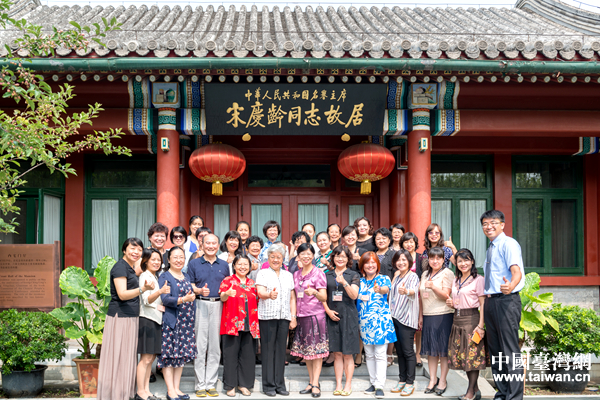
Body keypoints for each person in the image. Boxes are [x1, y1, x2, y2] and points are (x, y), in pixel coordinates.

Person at [98, 238, 152, 400]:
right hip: (120, 317)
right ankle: (114, 395)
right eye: (132, 248)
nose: (136, 252)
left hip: (129, 317)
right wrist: (142, 289)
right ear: (124, 250)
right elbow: (122, 294)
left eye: (139, 249)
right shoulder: (120, 267)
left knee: (126, 357)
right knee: (118, 357)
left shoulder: (129, 267)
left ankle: (123, 394)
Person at [481, 210, 525, 400]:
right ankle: (503, 393)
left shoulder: (509, 244)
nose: (488, 226)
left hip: (507, 300)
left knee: (510, 351)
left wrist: (511, 285)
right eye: (485, 224)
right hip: (491, 301)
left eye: (493, 222)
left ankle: (514, 397)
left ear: (502, 224)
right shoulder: (491, 247)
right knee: (496, 351)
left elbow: (516, 271)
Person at [188, 234, 230, 397]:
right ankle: (200, 384)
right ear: (202, 245)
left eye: (214, 243)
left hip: (219, 305)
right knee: (200, 345)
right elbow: (190, 284)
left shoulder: (224, 265)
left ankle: (211, 383)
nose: (211, 246)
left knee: (214, 346)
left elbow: (227, 285)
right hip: (200, 304)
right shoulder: (194, 263)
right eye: (208, 243)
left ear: (218, 245)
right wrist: (198, 290)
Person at [255, 243, 297, 397]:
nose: (275, 259)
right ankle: (268, 386)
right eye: (272, 257)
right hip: (267, 317)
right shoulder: (263, 273)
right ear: (268, 258)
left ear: (283, 259)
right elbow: (260, 292)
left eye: (278, 257)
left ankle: (280, 384)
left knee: (280, 352)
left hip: (284, 317)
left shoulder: (288, 275)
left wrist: (293, 317)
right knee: (267, 351)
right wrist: (269, 295)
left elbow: (292, 298)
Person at [157, 246, 198, 400]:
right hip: (172, 322)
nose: (179, 260)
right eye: (175, 257)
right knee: (169, 356)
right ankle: (170, 391)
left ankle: (177, 388)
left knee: (180, 357)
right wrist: (183, 299)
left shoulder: (186, 276)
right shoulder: (165, 276)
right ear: (168, 259)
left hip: (186, 322)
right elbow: (165, 299)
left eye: (181, 257)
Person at [447, 248, 487, 400]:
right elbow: (459, 300)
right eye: (460, 261)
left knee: (472, 357)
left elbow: (483, 304)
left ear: (472, 262)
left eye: (466, 260)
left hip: (472, 321)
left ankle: (470, 392)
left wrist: (481, 326)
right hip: (457, 320)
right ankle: (475, 390)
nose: (463, 264)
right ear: (456, 263)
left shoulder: (478, 280)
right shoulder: (456, 280)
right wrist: (452, 303)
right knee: (464, 357)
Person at [356, 252, 397, 399]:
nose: (370, 265)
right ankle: (373, 382)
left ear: (377, 265)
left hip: (380, 323)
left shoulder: (384, 278)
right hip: (364, 323)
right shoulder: (359, 281)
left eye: (373, 262)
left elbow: (386, 289)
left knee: (380, 354)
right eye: (367, 263)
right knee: (369, 354)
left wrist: (379, 289)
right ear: (362, 266)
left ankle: (380, 385)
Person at [290, 243, 329, 398]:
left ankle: (316, 383)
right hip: (301, 316)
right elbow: (294, 297)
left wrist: (314, 292)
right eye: (302, 254)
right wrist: (293, 316)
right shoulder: (296, 274)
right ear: (298, 256)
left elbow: (324, 297)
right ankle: (311, 381)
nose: (306, 256)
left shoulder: (318, 273)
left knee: (316, 352)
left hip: (315, 316)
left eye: (308, 254)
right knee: (307, 351)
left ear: (313, 256)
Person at [220, 255, 260, 397]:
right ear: (234, 266)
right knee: (230, 356)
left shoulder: (252, 283)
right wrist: (227, 293)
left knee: (248, 356)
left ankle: (244, 384)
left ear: (249, 267)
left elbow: (257, 300)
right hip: (232, 324)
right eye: (239, 264)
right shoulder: (228, 281)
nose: (243, 267)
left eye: (245, 264)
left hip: (250, 325)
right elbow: (222, 297)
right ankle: (230, 385)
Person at [324, 246, 360, 396]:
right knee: (337, 353)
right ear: (333, 258)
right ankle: (338, 383)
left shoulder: (353, 274)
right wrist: (327, 311)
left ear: (348, 259)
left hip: (349, 317)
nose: (340, 259)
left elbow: (354, 296)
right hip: (332, 315)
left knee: (348, 354)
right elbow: (323, 296)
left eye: (343, 256)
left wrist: (344, 282)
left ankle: (348, 384)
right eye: (337, 256)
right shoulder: (327, 275)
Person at [419, 247, 454, 396]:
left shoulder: (447, 273)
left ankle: (443, 381)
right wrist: (421, 316)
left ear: (443, 260)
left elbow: (446, 295)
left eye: (438, 258)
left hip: (443, 315)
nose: (435, 261)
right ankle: (433, 380)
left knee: (443, 351)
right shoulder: (425, 274)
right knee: (431, 351)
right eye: (432, 258)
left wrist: (433, 287)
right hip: (428, 315)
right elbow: (421, 296)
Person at [136, 248, 171, 400]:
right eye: (153, 259)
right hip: (147, 320)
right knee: (145, 359)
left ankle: (147, 391)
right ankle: (140, 392)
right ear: (146, 261)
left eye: (158, 260)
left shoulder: (154, 276)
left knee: (150, 359)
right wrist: (161, 291)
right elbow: (146, 300)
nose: (157, 262)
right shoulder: (145, 275)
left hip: (155, 319)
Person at [389, 249, 420, 397]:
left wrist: (406, 291)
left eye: (404, 260)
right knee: (400, 351)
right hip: (395, 316)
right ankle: (402, 380)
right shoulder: (396, 276)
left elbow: (413, 291)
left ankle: (410, 382)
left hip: (406, 318)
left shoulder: (413, 276)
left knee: (408, 351)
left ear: (409, 262)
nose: (401, 262)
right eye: (398, 260)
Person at [400, 232, 424, 367]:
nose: (409, 244)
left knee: (418, 326)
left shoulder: (421, 258)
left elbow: (425, 275)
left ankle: (418, 353)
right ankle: (405, 351)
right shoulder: (400, 257)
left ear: (415, 243)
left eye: (411, 242)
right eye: (406, 242)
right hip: (402, 296)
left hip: (417, 295)